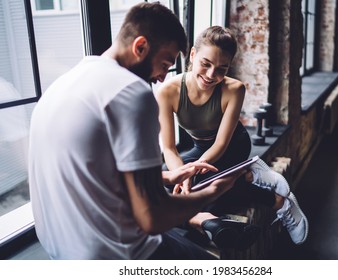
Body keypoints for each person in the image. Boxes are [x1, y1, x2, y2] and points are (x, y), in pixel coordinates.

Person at [28, 2, 246, 260]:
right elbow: (153, 217)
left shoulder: (62, 84)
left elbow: (92, 172)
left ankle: (204, 222)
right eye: (165, 64)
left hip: (60, 250)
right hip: (113, 253)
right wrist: (213, 191)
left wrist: (166, 178)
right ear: (140, 47)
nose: (163, 78)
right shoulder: (131, 93)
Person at [156, 26, 309, 245]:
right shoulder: (168, 91)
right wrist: (183, 172)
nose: (211, 75)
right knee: (164, 180)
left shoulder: (235, 89)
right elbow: (169, 148)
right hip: (201, 148)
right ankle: (246, 176)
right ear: (192, 55)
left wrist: (195, 170)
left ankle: (280, 202)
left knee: (205, 187)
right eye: (205, 64)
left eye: (221, 68)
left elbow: (220, 143)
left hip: (232, 145)